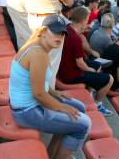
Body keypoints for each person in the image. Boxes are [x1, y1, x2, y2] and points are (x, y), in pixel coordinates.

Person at [9, 15, 91, 159]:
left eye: (62, 33)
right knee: (84, 125)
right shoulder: (38, 53)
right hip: (26, 111)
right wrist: (63, 108)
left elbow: (38, 83)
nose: (60, 37)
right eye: (55, 32)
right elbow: (39, 94)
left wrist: (55, 93)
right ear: (43, 31)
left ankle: (54, 152)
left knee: (80, 108)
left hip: (28, 104)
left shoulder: (38, 46)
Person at [57, 6, 114, 116]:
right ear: (83, 20)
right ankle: (98, 105)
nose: (87, 22)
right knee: (109, 79)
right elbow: (80, 63)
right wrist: (89, 70)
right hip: (71, 75)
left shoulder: (68, 27)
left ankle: (90, 90)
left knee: (98, 65)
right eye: (87, 20)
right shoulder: (76, 39)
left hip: (65, 67)